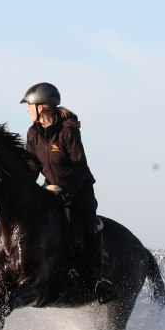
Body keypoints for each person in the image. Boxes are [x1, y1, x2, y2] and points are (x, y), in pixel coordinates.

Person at [20, 82, 114, 303]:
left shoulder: (67, 131)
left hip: (79, 190)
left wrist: (68, 192)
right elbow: (32, 167)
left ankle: (97, 280)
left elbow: (80, 167)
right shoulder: (33, 132)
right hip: (51, 189)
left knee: (87, 227)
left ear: (40, 107)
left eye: (29, 105)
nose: (27, 109)